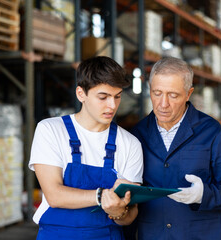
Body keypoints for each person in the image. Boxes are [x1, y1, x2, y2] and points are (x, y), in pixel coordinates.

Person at [131, 57, 221, 240]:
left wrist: (204, 194)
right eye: (157, 93)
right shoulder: (137, 134)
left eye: (173, 95)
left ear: (188, 93)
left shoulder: (210, 132)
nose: (163, 104)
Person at [29, 56, 143, 240]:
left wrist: (119, 212)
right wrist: (101, 196)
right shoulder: (51, 130)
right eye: (103, 97)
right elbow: (54, 195)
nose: (112, 106)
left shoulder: (130, 144)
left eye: (117, 96)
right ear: (81, 93)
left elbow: (130, 216)